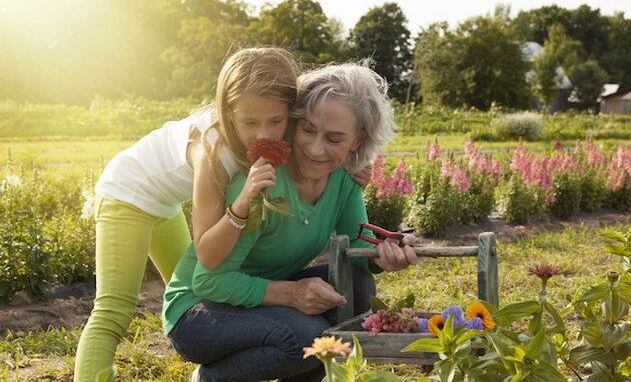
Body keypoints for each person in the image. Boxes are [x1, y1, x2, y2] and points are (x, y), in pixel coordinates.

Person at [163, 62, 419, 382]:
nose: (315, 149)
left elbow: (356, 244)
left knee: (357, 283)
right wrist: (291, 293)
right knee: (310, 338)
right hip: (198, 313)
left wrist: (383, 254)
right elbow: (209, 281)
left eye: (334, 138)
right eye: (308, 129)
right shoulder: (263, 181)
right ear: (293, 122)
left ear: (357, 140)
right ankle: (212, 378)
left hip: (253, 300)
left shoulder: (342, 179)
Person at [74, 47, 301, 382]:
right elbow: (208, 250)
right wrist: (241, 204)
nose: (263, 134)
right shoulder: (211, 152)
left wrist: (352, 165)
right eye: (249, 123)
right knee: (114, 310)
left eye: (276, 121)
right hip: (127, 192)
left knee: (195, 297)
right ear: (227, 113)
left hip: (164, 202)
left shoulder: (280, 127)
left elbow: (324, 132)